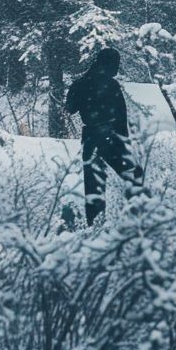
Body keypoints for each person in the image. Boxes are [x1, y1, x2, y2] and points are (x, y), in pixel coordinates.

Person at [64, 47, 144, 225]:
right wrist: (126, 143)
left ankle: (95, 225)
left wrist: (77, 89)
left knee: (93, 186)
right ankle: (139, 218)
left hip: (91, 138)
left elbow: (70, 109)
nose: (117, 69)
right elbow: (121, 117)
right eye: (116, 64)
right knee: (134, 174)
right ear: (109, 64)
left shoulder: (81, 83)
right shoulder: (112, 85)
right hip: (111, 137)